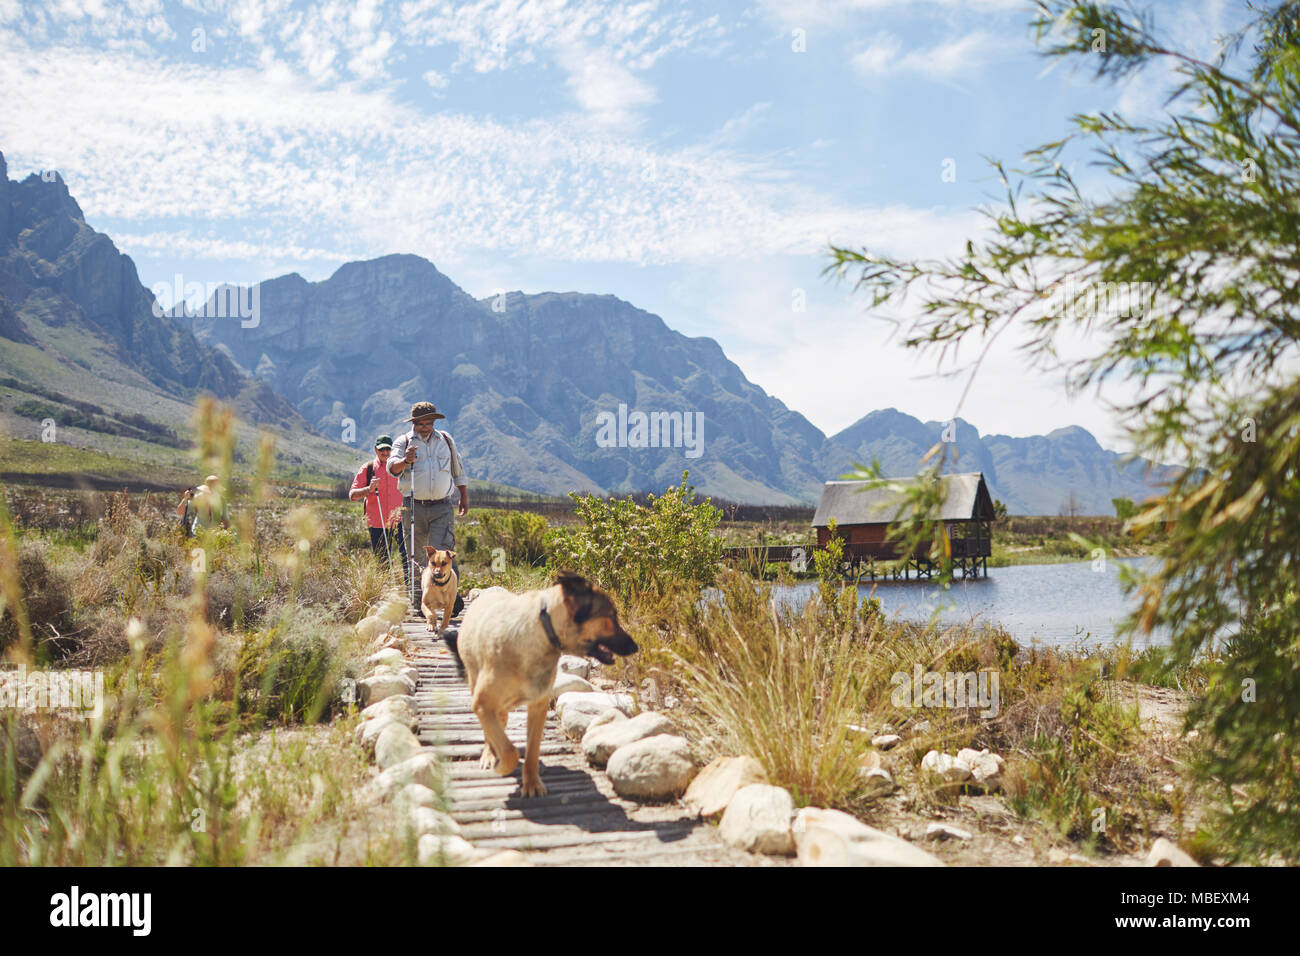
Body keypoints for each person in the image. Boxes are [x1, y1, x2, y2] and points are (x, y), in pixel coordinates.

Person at [387, 402, 468, 607]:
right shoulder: (403, 442)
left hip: (442, 506)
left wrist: (463, 496)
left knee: (446, 551)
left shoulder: (446, 440)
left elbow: (457, 469)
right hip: (414, 507)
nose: (425, 427)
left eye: (429, 423)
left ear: (434, 422)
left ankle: (451, 599)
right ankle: (419, 600)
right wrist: (406, 460)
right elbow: (392, 469)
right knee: (415, 555)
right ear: (413, 423)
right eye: (421, 423)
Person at [349, 435, 408, 578]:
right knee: (382, 561)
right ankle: (385, 593)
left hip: (401, 521)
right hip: (377, 523)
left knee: (407, 559)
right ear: (376, 450)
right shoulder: (368, 468)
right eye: (382, 449)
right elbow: (352, 495)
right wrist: (368, 489)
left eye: (388, 448)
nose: (385, 452)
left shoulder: (401, 467)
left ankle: (411, 592)